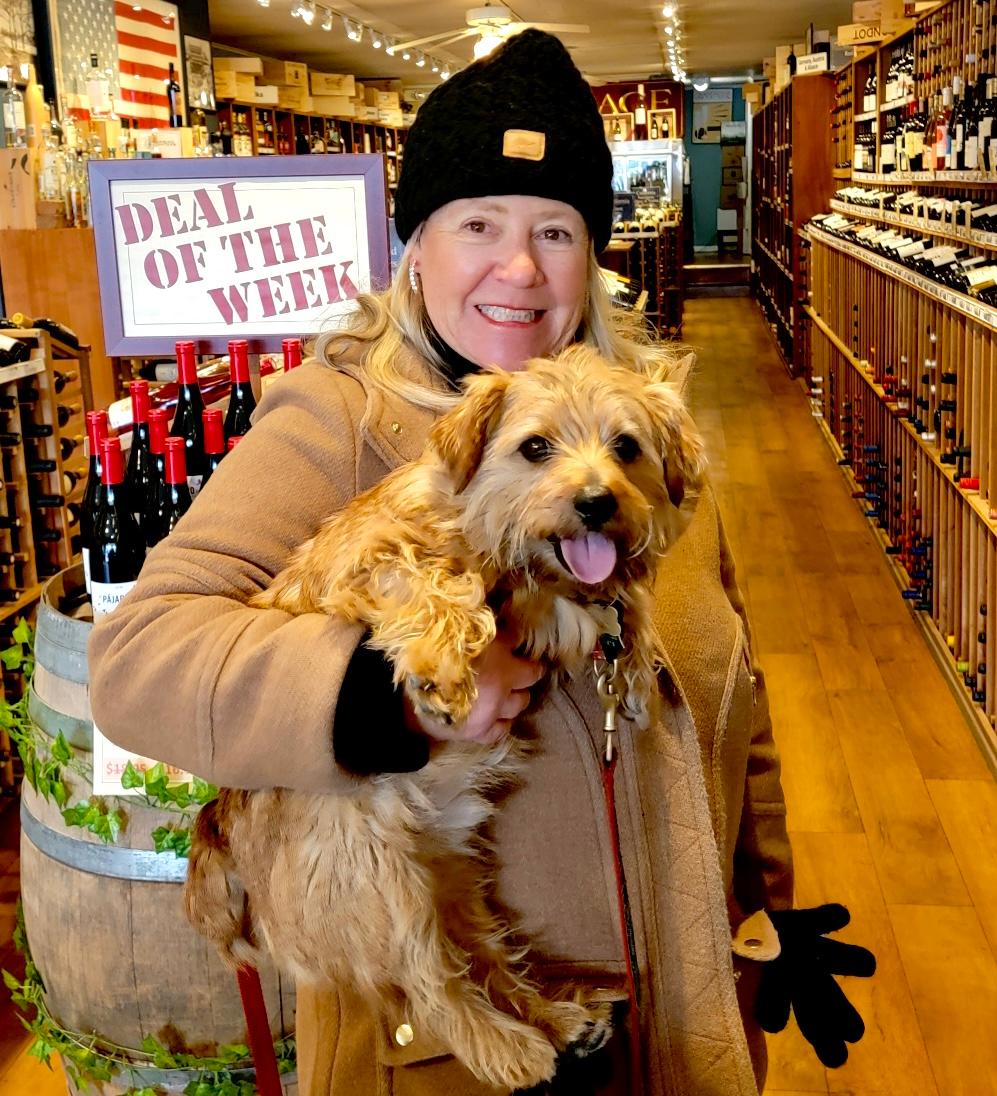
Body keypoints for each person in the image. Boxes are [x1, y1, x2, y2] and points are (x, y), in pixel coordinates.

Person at [89, 30, 793, 1096]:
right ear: (416, 246)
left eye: (555, 229)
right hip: (441, 1050)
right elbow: (139, 658)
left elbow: (739, 698)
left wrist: (769, 911)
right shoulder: (335, 423)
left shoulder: (634, 446)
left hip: (677, 1023)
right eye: (478, 224)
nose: (519, 268)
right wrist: (384, 701)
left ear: (590, 255)